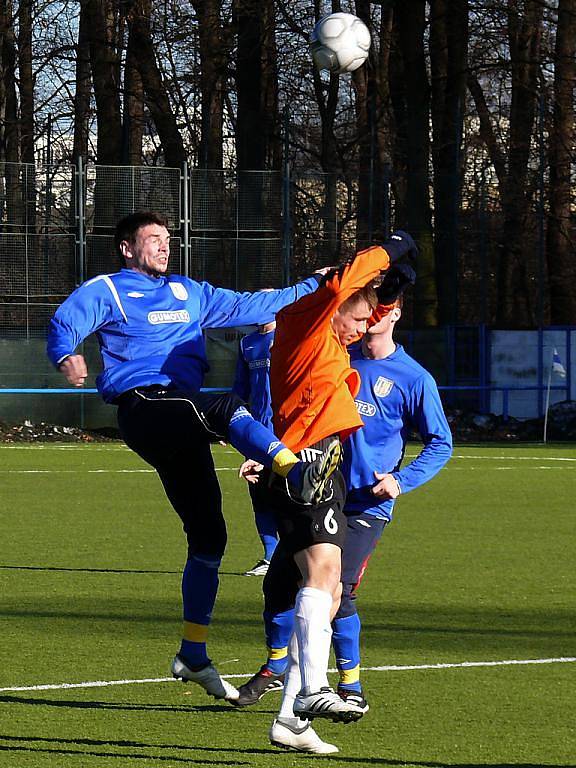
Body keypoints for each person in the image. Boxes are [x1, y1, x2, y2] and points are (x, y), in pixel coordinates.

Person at [46, 210, 342, 703]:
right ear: (127, 248)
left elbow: (256, 303)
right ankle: (293, 469)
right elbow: (65, 321)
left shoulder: (190, 293)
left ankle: (193, 652)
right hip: (145, 406)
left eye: (167, 239)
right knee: (226, 406)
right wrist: (65, 355)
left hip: (179, 418)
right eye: (153, 239)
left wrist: (314, 284)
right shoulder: (110, 290)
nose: (164, 246)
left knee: (209, 536)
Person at [236, 285, 453, 755]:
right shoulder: (335, 355)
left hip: (363, 506)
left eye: (382, 310)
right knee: (284, 591)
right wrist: (269, 453)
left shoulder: (413, 377)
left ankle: (339, 685)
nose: (370, 318)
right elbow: (301, 412)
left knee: (334, 588)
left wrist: (400, 479)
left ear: (395, 316)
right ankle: (291, 708)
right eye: (365, 310)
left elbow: (441, 443)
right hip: (311, 491)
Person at [232, 319, 279, 576]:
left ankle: (296, 555)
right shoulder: (247, 343)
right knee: (259, 494)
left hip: (285, 430)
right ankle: (270, 556)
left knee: (289, 495)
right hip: (257, 430)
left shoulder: (288, 337)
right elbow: (240, 387)